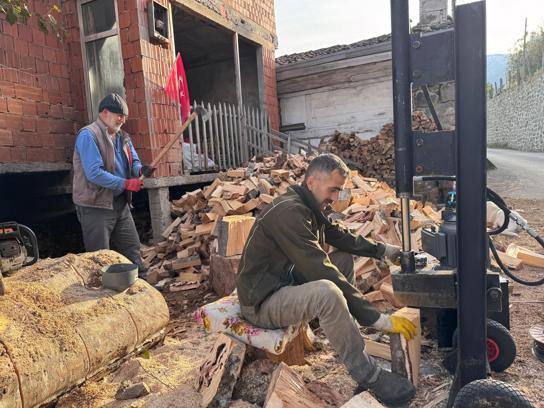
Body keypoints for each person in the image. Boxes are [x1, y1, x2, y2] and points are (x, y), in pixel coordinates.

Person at [236, 153, 417, 406]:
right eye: (333, 190)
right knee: (327, 292)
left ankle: (346, 328)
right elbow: (320, 269)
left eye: (339, 191)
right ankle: (368, 375)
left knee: (342, 258)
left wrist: (383, 250)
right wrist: (377, 318)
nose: (335, 198)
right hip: (261, 302)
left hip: (282, 282)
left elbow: (339, 235)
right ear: (311, 183)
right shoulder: (289, 212)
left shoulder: (308, 204)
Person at [72, 93, 155, 278]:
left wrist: (141, 170)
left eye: (124, 116)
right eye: (119, 115)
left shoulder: (123, 136)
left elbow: (133, 161)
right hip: (95, 205)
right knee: (99, 257)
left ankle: (143, 289)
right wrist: (125, 183)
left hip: (119, 203)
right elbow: (94, 173)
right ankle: (102, 298)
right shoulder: (89, 135)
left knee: (132, 248)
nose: (122, 120)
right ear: (105, 112)